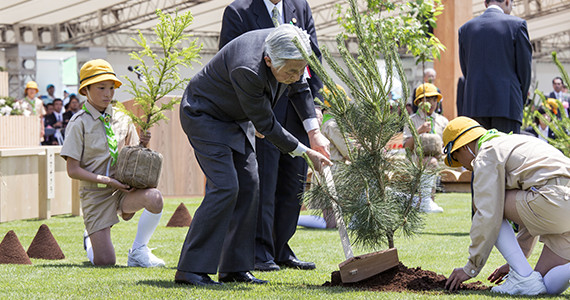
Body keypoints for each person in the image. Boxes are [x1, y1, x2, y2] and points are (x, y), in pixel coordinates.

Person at [176, 24, 331, 286]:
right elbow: (267, 125)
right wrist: (306, 154)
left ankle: (235, 268)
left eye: (299, 68)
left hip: (235, 118)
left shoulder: (289, 49)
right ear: (269, 60)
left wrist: (314, 133)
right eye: (291, 71)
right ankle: (191, 270)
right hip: (204, 115)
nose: (296, 75)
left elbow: (300, 86)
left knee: (250, 184)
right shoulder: (248, 68)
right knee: (226, 186)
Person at [219, 0, 329, 272]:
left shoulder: (300, 7)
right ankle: (259, 251)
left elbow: (313, 59)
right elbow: (233, 65)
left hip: (297, 111)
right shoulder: (238, 12)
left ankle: (281, 249)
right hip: (261, 114)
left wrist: (315, 106)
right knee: (264, 183)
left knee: (292, 186)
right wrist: (251, 113)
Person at [443, 117, 570, 295]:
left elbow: (488, 214)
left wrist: (470, 268)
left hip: (554, 201)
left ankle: (523, 276)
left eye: (457, 159)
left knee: (487, 202)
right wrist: (515, 264)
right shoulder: (512, 141)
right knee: (542, 284)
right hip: (559, 202)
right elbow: (530, 214)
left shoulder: (486, 154)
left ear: (464, 147)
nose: (464, 167)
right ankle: (524, 276)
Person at [60, 59, 165, 268]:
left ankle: (138, 250)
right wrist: (108, 181)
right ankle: (90, 238)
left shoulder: (123, 119)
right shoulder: (78, 123)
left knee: (155, 198)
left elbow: (135, 156)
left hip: (122, 191)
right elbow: (73, 170)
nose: (108, 93)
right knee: (106, 262)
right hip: (95, 195)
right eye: (101, 88)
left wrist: (145, 143)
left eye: (111, 88)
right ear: (85, 90)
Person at [458, 0, 532, 134]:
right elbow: (524, 71)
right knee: (506, 152)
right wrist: (520, 100)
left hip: (474, 105)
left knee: (480, 152)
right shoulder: (517, 25)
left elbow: (466, 70)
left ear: (485, 4)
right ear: (507, 2)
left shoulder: (465, 29)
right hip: (507, 104)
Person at [402, 83, 448, 213]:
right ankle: (427, 201)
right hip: (415, 160)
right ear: (419, 101)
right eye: (427, 99)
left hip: (439, 160)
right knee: (430, 162)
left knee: (433, 161)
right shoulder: (411, 120)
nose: (432, 103)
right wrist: (419, 131)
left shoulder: (443, 121)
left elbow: (448, 145)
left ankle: (425, 201)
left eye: (434, 99)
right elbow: (406, 147)